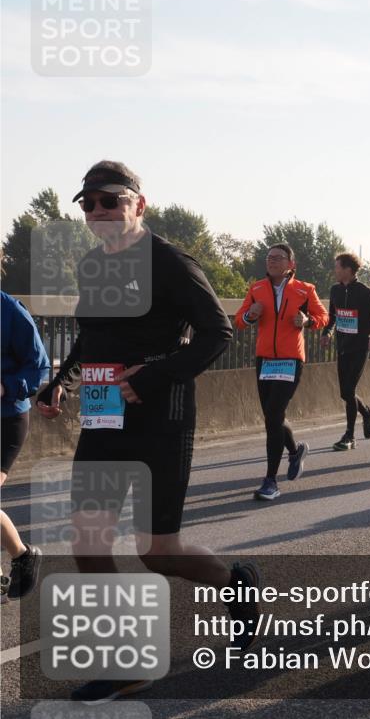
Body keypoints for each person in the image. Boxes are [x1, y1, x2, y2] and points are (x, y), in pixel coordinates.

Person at [35, 161, 261, 704]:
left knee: (156, 552)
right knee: (88, 540)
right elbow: (92, 338)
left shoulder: (171, 263)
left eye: (109, 200)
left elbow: (218, 332)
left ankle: (237, 583)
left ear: (139, 204)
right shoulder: (94, 267)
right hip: (103, 412)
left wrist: (155, 375)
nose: (97, 212)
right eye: (87, 204)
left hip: (164, 416)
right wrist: (58, 381)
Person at [235, 243, 329, 500]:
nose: (272, 261)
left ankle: (270, 481)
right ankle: (295, 450)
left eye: (279, 257)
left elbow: (324, 316)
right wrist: (250, 316)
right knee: (271, 416)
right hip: (265, 360)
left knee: (274, 414)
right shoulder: (256, 288)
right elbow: (239, 321)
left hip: (290, 360)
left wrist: (307, 321)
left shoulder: (305, 289)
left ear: (291, 264)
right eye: (269, 257)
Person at [1, 289, 50, 600]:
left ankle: (23, 554)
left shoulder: (9, 310)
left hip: (6, 420)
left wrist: (5, 386)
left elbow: (39, 367)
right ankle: (20, 556)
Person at [321, 253, 370, 450]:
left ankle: (349, 436)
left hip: (360, 348)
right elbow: (332, 317)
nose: (335, 270)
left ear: (348, 270)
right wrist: (327, 333)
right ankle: (367, 413)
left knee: (349, 390)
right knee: (345, 393)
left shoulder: (366, 292)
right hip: (342, 347)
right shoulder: (335, 290)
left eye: (337, 267)